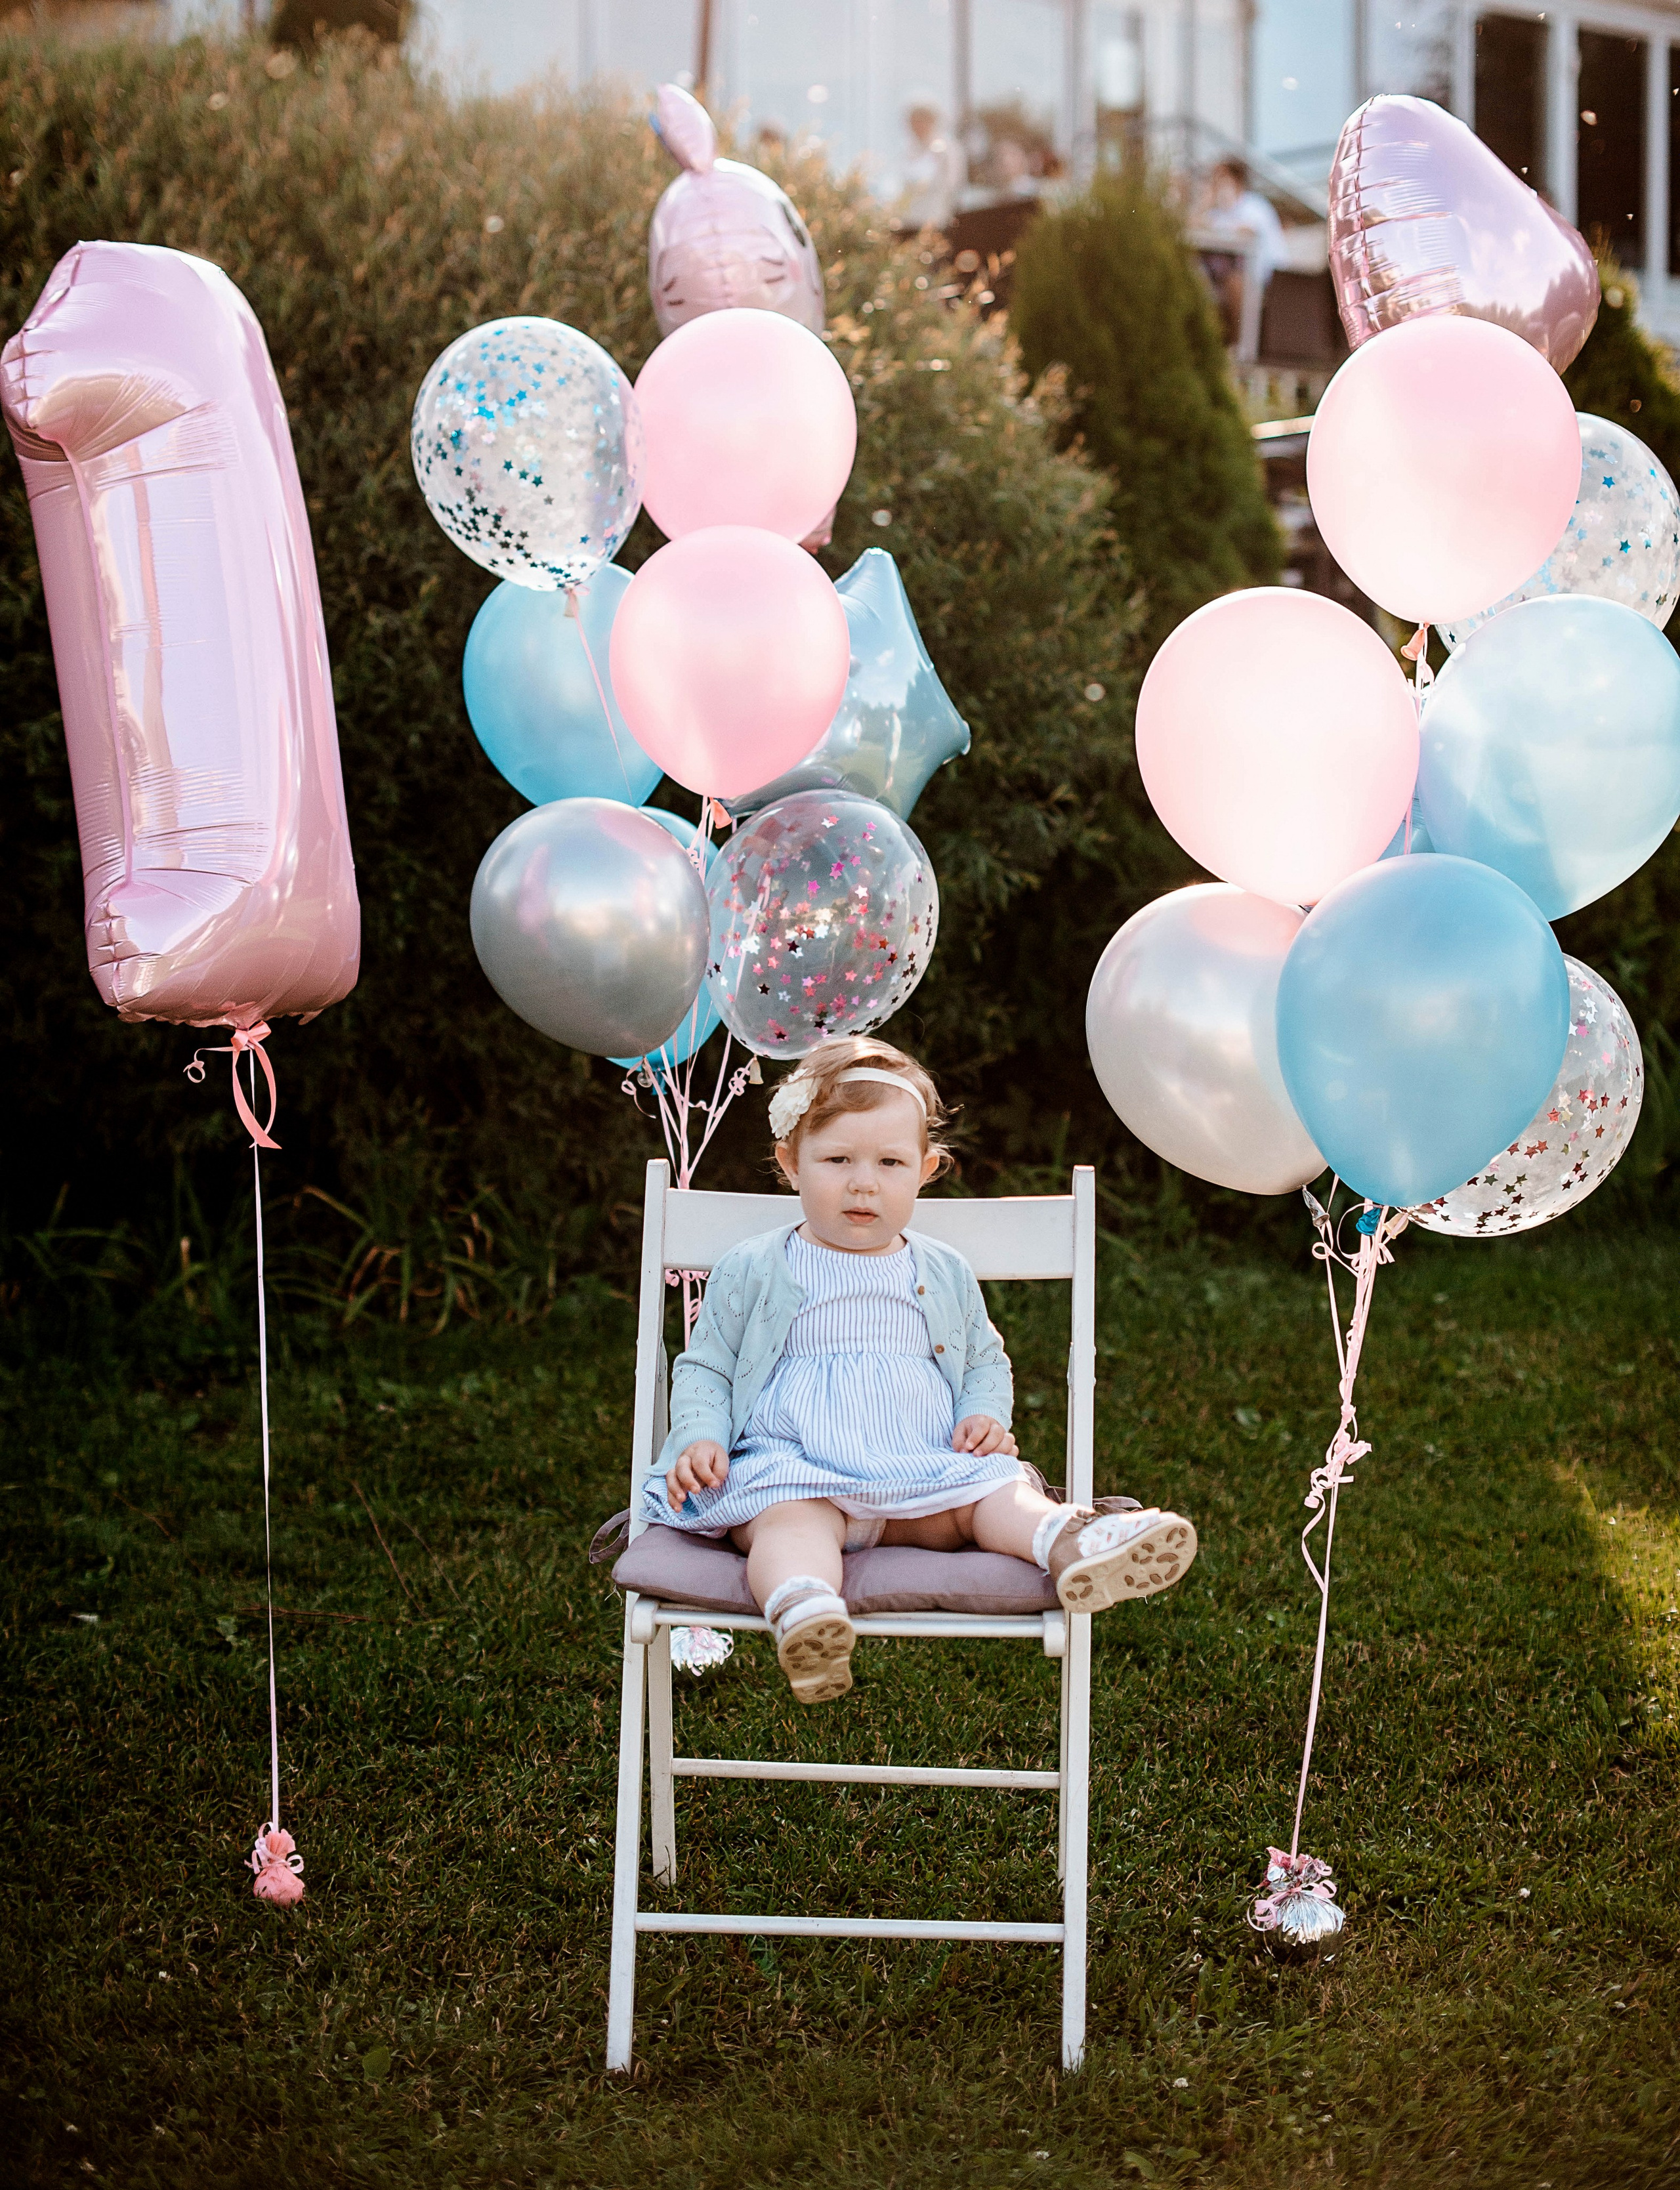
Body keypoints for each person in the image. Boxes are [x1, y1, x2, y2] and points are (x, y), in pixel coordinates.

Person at [643, 1037, 1198, 1704]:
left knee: (993, 1493)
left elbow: (984, 1360)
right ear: (790, 1162)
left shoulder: (941, 1270)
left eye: (889, 1162)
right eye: (837, 1159)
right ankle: (806, 1611)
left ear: (926, 1168)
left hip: (924, 1470)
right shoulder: (756, 1264)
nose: (862, 1182)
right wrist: (699, 1437)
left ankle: (1075, 1539)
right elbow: (705, 1365)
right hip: (796, 1467)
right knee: (787, 1524)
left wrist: (984, 1415)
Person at [1198, 158, 1288, 347]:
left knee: (1235, 283)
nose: (1216, 183)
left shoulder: (1254, 205)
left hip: (1268, 276)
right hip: (1226, 277)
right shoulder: (1219, 212)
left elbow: (1247, 232)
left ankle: (1239, 348)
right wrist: (1206, 203)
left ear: (1236, 180)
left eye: (1221, 178)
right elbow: (1195, 224)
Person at [898, 102, 966, 232]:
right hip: (911, 221)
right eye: (913, 123)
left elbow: (953, 183)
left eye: (920, 121)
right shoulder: (910, 152)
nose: (916, 127)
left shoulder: (948, 148)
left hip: (937, 220)